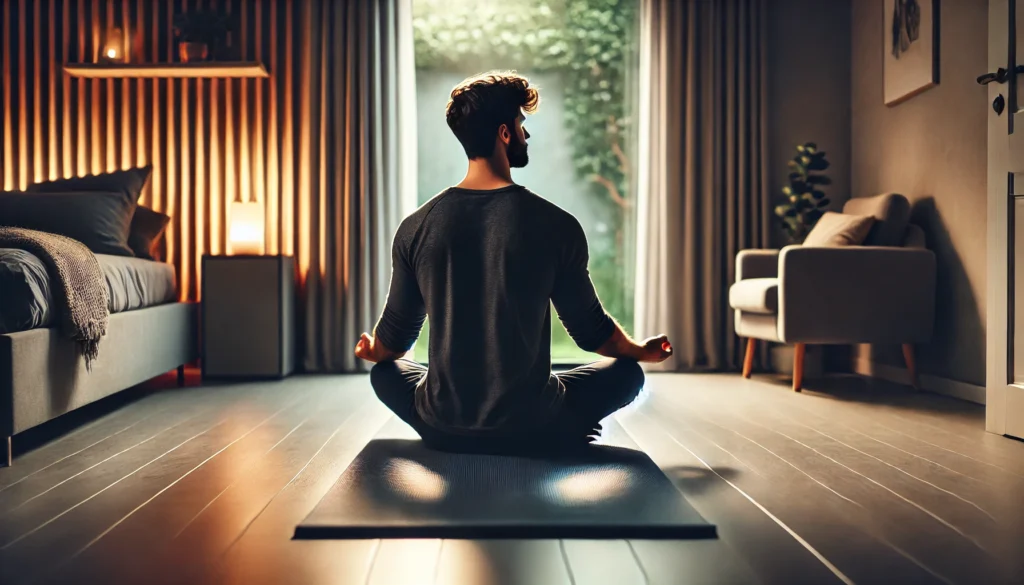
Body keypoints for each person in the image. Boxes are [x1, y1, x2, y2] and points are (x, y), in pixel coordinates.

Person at [355, 71, 673, 454]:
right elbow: (594, 336)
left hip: (441, 427)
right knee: (627, 374)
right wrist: (641, 350)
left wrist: (372, 349)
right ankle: (556, 431)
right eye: (522, 125)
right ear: (505, 134)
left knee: (384, 374)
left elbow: (394, 344)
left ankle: (473, 430)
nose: (527, 135)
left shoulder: (415, 226)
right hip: (532, 424)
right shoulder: (556, 224)